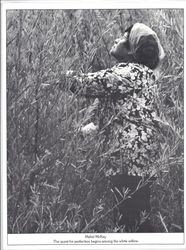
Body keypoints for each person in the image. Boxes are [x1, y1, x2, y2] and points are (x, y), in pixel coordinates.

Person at [64, 23, 165, 232]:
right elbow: (120, 120)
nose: (115, 40)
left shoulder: (130, 73)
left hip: (128, 164)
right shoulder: (144, 76)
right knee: (135, 221)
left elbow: (83, 83)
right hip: (138, 164)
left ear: (131, 50)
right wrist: (81, 132)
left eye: (121, 38)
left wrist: (51, 74)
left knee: (132, 225)